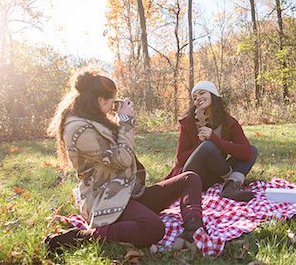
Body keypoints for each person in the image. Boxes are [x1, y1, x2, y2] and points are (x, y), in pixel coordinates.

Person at [44, 67, 203, 253]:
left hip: (128, 192)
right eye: (112, 100)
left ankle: (193, 230)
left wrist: (122, 122)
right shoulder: (78, 130)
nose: (114, 105)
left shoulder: (96, 119)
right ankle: (82, 237)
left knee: (189, 178)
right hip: (105, 199)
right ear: (100, 100)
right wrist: (125, 121)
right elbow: (122, 160)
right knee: (153, 228)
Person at [166, 81, 258, 202]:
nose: (198, 98)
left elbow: (246, 153)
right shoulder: (188, 123)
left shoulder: (228, 122)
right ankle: (231, 179)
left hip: (215, 174)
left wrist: (216, 140)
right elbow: (180, 158)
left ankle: (230, 188)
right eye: (195, 97)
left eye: (202, 93)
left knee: (252, 149)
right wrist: (201, 144)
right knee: (207, 147)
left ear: (213, 95)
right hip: (192, 175)